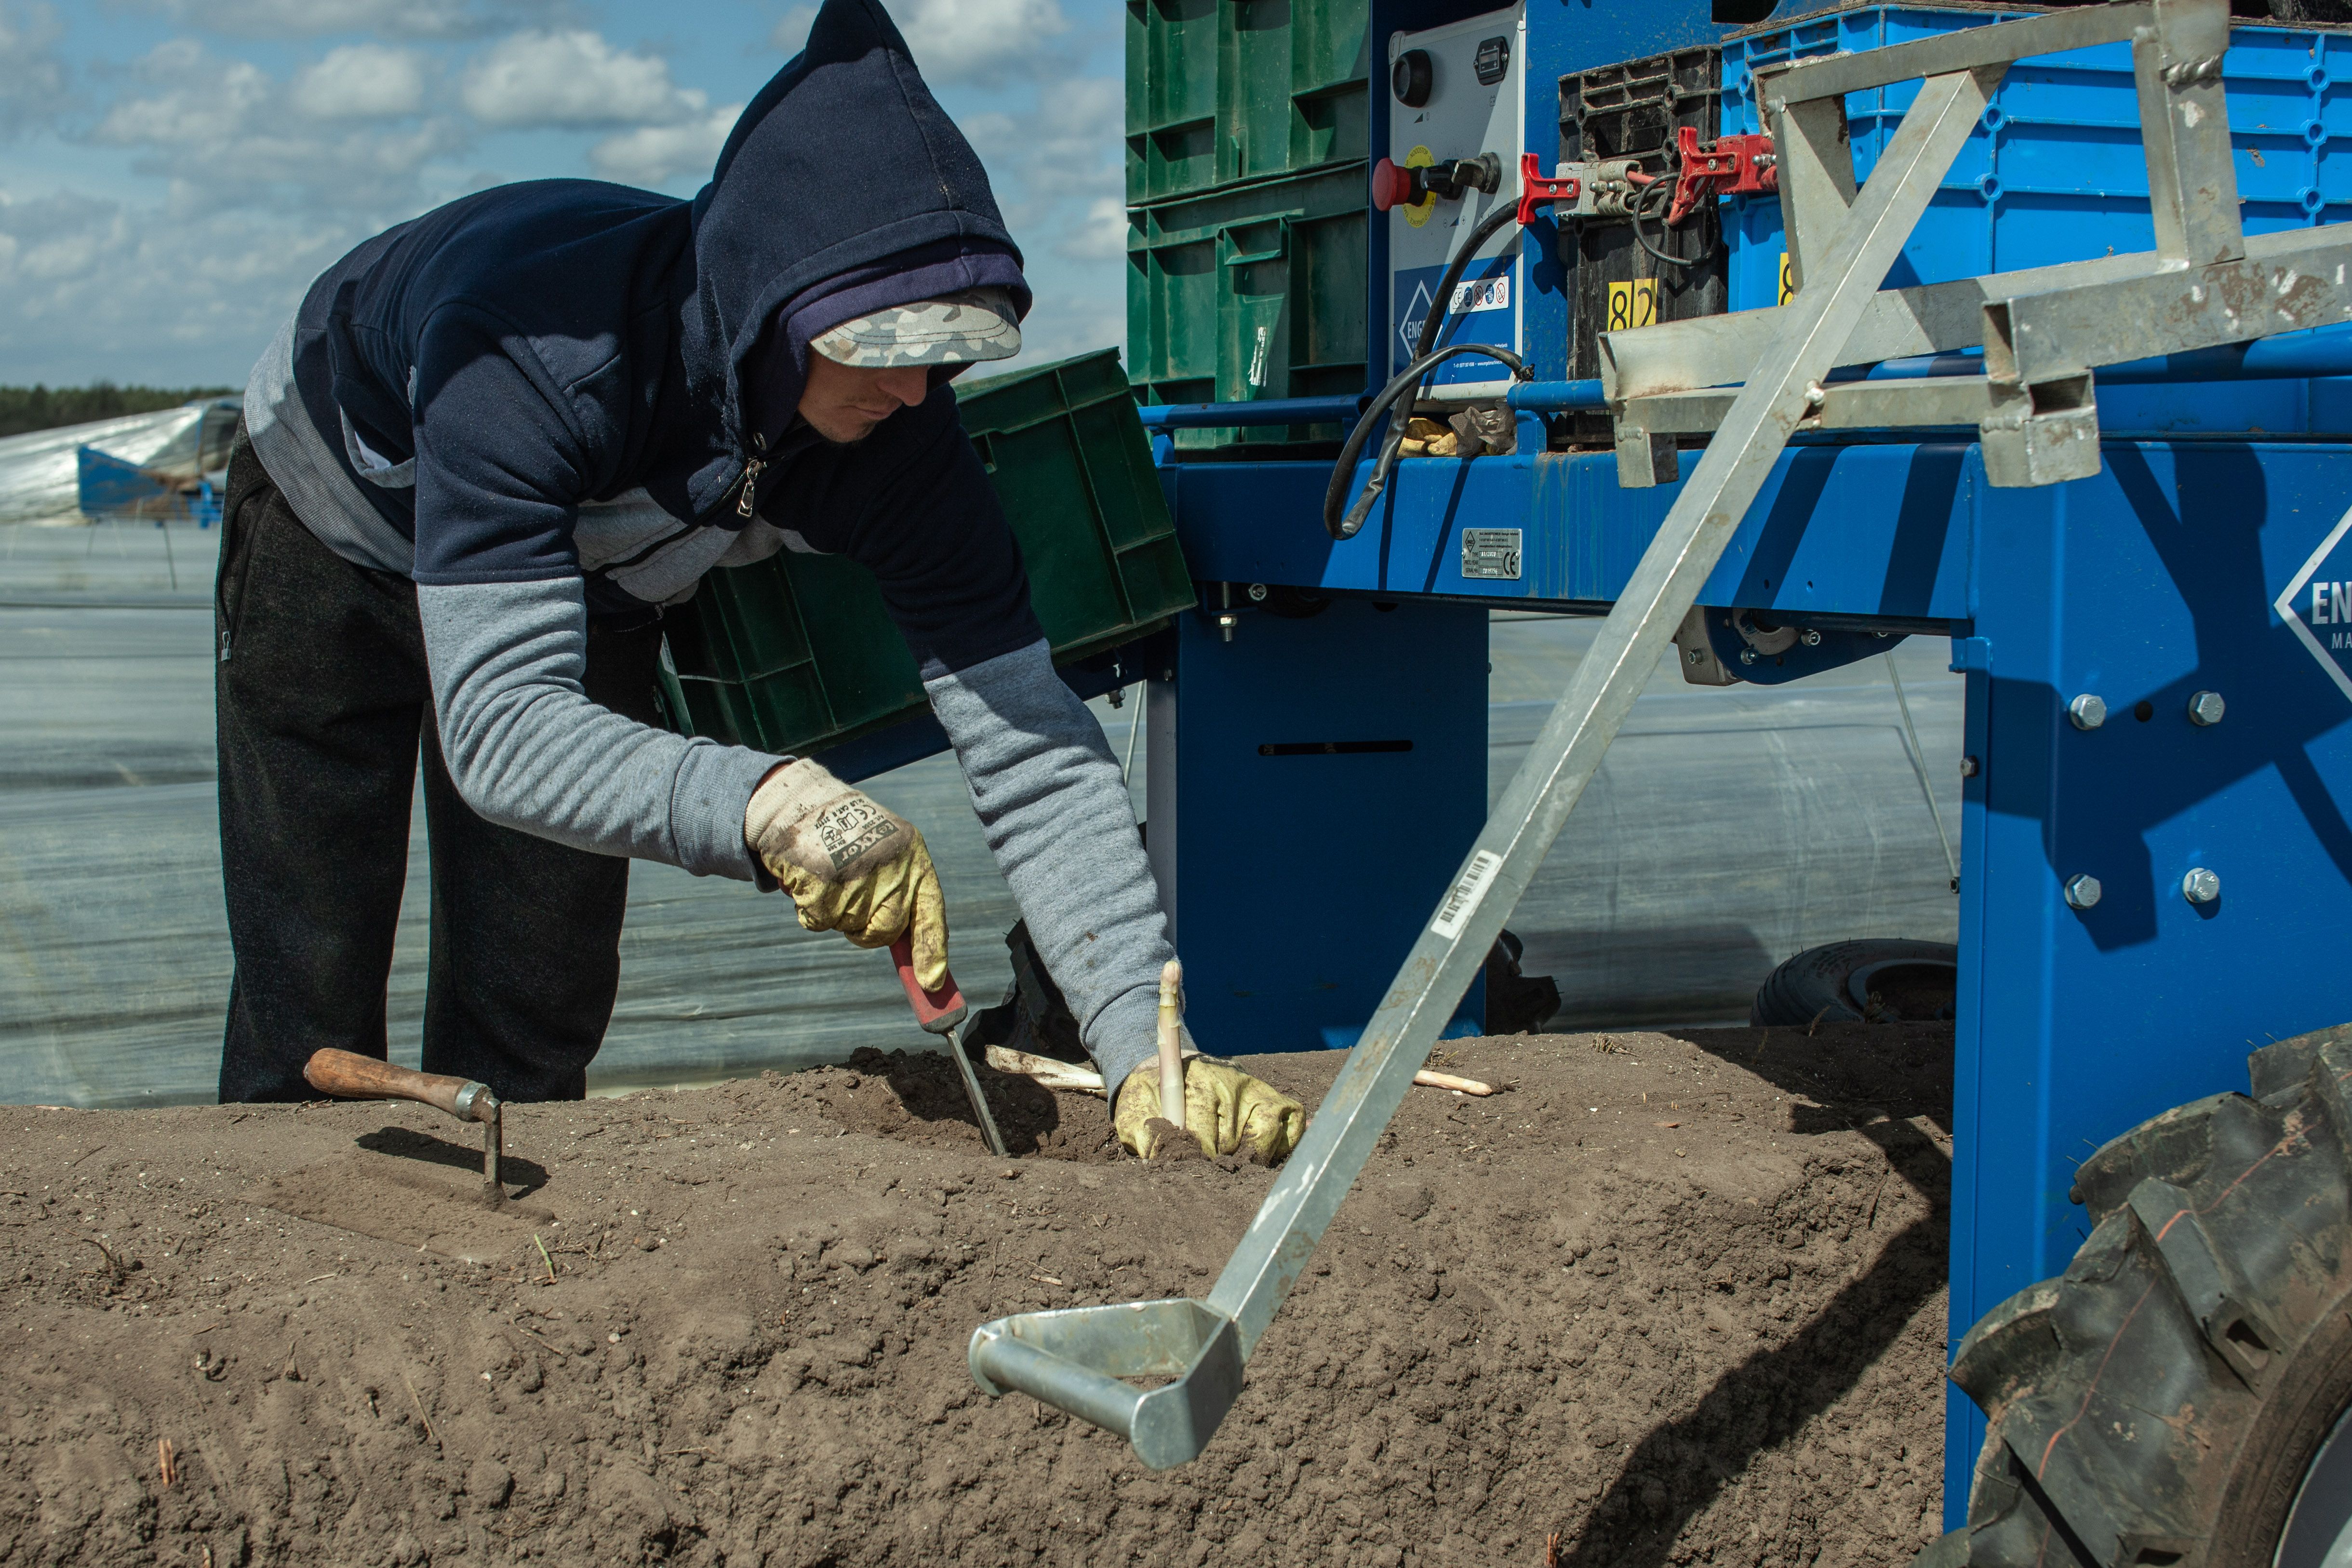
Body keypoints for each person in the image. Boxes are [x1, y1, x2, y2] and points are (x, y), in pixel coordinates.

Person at [213, 0, 1302, 1164]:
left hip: (598, 560)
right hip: (338, 508)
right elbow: (500, 731)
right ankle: (290, 1238)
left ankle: (505, 1251)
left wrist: (1145, 1042)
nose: (917, 393)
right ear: (775, 313)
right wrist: (769, 803)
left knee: (538, 969)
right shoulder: (533, 354)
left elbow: (1031, 744)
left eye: (951, 351)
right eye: (883, 350)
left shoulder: (902, 436)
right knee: (312, 943)